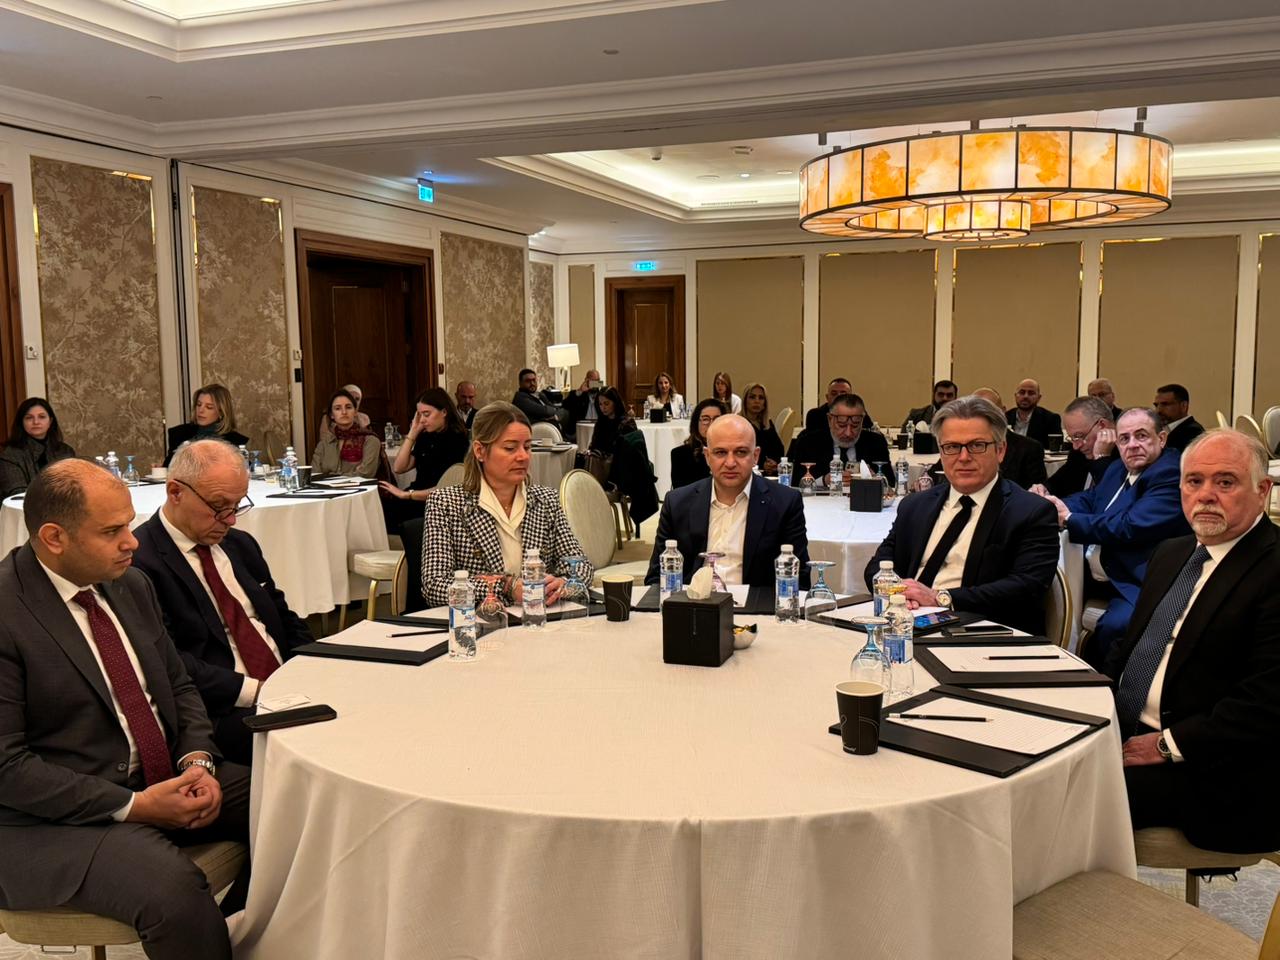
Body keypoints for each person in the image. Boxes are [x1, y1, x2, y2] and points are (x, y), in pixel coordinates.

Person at [0, 459, 250, 960]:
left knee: (297, 802)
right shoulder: (7, 610)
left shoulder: (130, 584)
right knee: (173, 893)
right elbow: (7, 768)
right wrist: (136, 806)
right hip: (48, 819)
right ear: (54, 537)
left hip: (159, 773)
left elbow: (178, 687)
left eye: (130, 525)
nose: (132, 542)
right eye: (112, 531)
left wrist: (197, 760)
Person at [1106, 430, 1280, 854]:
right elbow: (1131, 649)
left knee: (1061, 795)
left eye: (1225, 482)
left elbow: (1268, 701)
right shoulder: (1172, 552)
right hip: (1127, 729)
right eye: (1194, 481)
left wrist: (1167, 744)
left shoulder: (1273, 568)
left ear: (1262, 491)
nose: (1205, 495)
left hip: (1217, 764)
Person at [132, 440, 311, 765]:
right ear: (175, 492)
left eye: (237, 505)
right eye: (219, 506)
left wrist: (311, 667)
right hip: (219, 709)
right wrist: (259, 691)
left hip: (287, 685)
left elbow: (283, 617)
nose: (231, 520)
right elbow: (168, 660)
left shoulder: (239, 545)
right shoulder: (139, 563)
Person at [865, 396, 1059, 635]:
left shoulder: (1031, 512)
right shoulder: (915, 505)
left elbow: (1026, 586)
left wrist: (939, 598)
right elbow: (879, 564)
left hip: (980, 632)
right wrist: (898, 592)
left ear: (1000, 450)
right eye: (952, 447)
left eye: (977, 445)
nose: (964, 457)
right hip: (904, 624)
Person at [1038, 408, 1191, 667]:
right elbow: (1092, 500)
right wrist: (1050, 506)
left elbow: (1130, 526)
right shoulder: (1119, 467)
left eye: (1141, 436)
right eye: (1124, 438)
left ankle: (1110, 683)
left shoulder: (1170, 473)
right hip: (1103, 572)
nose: (1133, 445)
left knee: (1117, 626)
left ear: (1162, 438)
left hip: (1142, 579)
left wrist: (1070, 518)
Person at [420, 402, 590, 607]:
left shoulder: (547, 500)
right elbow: (434, 587)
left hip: (541, 617)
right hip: (481, 621)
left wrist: (564, 583)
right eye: (510, 448)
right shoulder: (446, 504)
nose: (523, 456)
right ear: (480, 451)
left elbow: (581, 565)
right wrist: (506, 587)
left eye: (527, 447)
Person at [645, 414, 810, 589]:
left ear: (756, 456)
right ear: (707, 456)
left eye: (741, 452)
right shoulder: (677, 503)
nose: (730, 463)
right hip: (692, 602)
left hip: (755, 603)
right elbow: (656, 578)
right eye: (720, 452)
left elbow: (799, 579)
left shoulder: (784, 503)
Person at [379, 387, 470, 532]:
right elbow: (399, 467)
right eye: (419, 415)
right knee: (378, 510)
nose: (422, 420)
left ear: (444, 412)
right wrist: (413, 432)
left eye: (426, 414)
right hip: (416, 495)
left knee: (387, 518)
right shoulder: (426, 435)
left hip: (438, 502)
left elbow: (446, 488)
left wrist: (407, 495)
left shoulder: (457, 440)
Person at [922, 388, 1046, 490]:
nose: (964, 457)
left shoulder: (1029, 447)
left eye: (977, 445)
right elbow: (936, 473)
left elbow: (1036, 489)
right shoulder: (955, 444)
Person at [787, 392, 890, 479]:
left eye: (855, 425)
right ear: (829, 419)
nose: (848, 433)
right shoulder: (808, 443)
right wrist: (823, 481)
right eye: (841, 425)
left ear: (862, 421)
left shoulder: (876, 443)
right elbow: (795, 484)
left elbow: (891, 483)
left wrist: (876, 479)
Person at [1040, 396, 1119, 497]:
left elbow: (1111, 497)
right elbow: (1058, 482)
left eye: (1079, 436)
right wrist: (1043, 489)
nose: (1076, 446)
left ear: (1102, 425)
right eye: (1073, 438)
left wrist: (1102, 458)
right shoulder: (1080, 452)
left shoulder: (1127, 453)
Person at [0, 396, 76, 497]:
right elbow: (17, 494)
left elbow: (73, 488)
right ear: (22, 422)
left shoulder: (65, 451)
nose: (36, 422)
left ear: (50, 421)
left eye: (42, 417)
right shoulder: (10, 455)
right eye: (29, 418)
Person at [163, 384, 248, 468]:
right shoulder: (178, 433)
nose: (201, 410)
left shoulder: (236, 441)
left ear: (221, 412)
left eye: (209, 407)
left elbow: (244, 471)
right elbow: (168, 469)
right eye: (199, 404)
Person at [312, 388, 380, 478]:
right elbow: (315, 474)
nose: (344, 412)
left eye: (348, 407)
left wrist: (329, 477)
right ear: (332, 415)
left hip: (359, 487)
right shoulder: (324, 445)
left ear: (355, 412)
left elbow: (365, 474)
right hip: (325, 487)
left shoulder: (370, 440)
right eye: (338, 408)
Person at [670, 398, 725, 490]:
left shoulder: (732, 452)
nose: (711, 424)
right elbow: (681, 494)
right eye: (705, 419)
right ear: (696, 423)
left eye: (717, 419)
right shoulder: (680, 454)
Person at [741, 382, 785, 474]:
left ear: (765, 403)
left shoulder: (767, 424)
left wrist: (774, 463)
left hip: (770, 474)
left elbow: (779, 449)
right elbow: (741, 452)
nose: (757, 401)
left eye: (761, 398)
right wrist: (761, 465)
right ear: (745, 401)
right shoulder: (739, 423)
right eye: (752, 397)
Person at [1006, 378, 1062, 449]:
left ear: (1039, 398)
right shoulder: (1005, 417)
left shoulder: (1051, 419)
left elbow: (1055, 449)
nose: (1025, 396)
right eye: (1022, 392)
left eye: (1031, 393)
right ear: (1015, 396)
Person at [512, 368, 568, 434]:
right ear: (520, 383)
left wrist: (554, 415)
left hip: (548, 428)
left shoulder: (540, 395)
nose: (532, 383)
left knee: (567, 411)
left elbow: (551, 407)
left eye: (534, 380)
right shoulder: (520, 397)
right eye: (528, 381)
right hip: (534, 430)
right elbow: (543, 411)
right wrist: (554, 414)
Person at [1153, 383, 1204, 452]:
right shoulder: (1164, 430)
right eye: (1156, 405)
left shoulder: (1193, 433)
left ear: (1183, 406)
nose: (1158, 410)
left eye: (1165, 404)